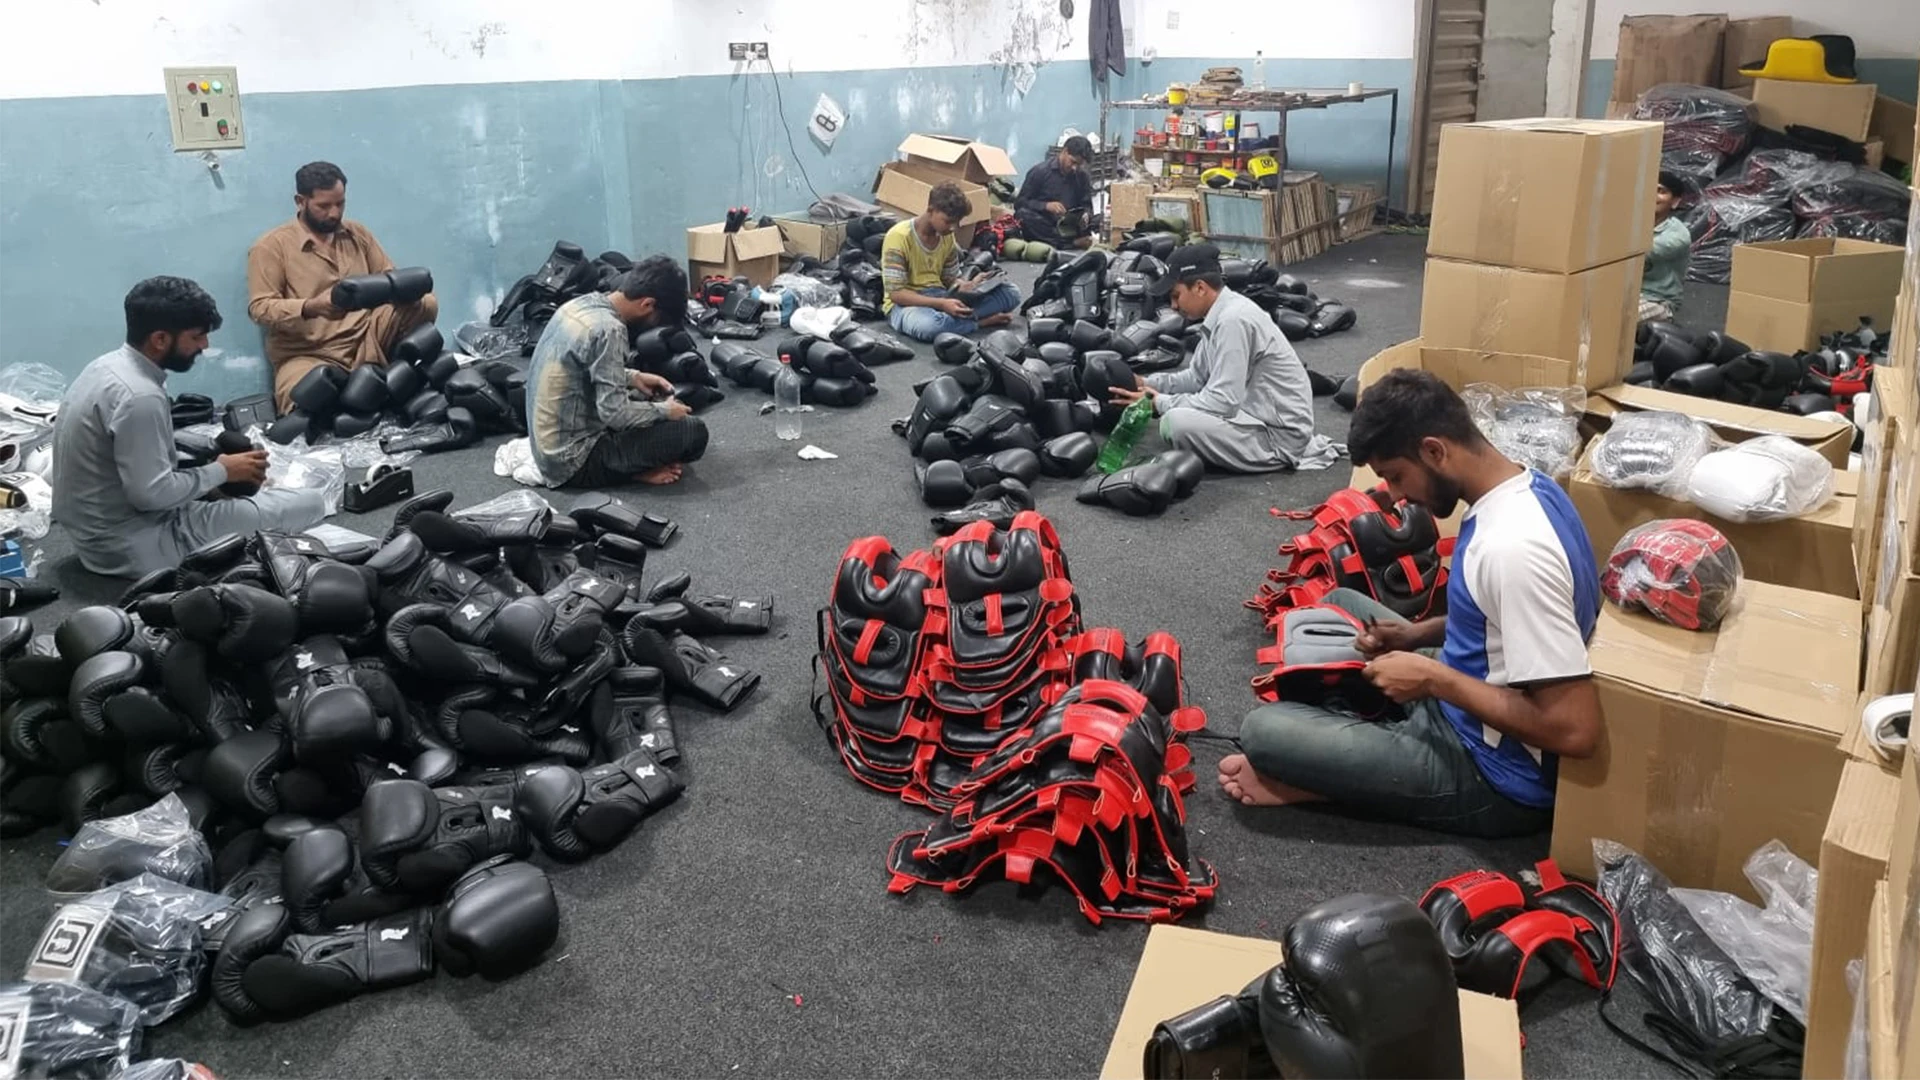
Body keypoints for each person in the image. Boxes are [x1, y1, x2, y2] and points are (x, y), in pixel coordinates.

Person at [1217, 370, 1603, 838]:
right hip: (1477, 687)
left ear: (1435, 451)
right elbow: (1493, 619)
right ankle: (1358, 756)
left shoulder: (1512, 551)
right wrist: (1415, 635)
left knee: (1263, 733)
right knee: (1340, 600)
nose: (1396, 496)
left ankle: (1330, 786)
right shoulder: (1526, 486)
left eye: (1396, 476)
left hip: (1494, 772)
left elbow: (1575, 731)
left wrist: (1434, 679)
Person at [51, 277, 328, 578]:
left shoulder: (106, 367)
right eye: (197, 337)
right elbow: (151, 495)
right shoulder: (140, 397)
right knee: (309, 502)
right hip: (138, 544)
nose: (204, 345)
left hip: (95, 538)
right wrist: (222, 471)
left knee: (244, 493)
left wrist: (209, 469)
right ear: (160, 339)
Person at [1110, 243, 1339, 473]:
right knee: (1178, 414)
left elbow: (1222, 402)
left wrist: (1158, 403)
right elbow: (1196, 378)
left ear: (1200, 288)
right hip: (1253, 415)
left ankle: (1268, 456)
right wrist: (1146, 383)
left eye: (1176, 295)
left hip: (1279, 437)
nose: (1174, 305)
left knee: (1175, 422)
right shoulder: (1219, 315)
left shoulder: (1233, 320)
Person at [247, 161, 439, 413]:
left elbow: (389, 277)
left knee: (425, 302)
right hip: (309, 352)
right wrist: (312, 306)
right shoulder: (271, 247)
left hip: (366, 338)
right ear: (300, 201)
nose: (334, 213)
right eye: (324, 206)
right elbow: (260, 308)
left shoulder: (357, 233)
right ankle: (365, 390)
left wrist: (398, 287)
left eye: (340, 204)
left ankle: (389, 378)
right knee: (302, 405)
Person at [527, 255, 709, 488]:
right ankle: (632, 472)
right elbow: (616, 414)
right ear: (647, 304)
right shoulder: (609, 329)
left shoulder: (580, 305)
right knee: (691, 432)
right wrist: (665, 412)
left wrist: (633, 377)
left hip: (548, 447)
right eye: (657, 320)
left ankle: (633, 461)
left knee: (645, 398)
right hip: (573, 463)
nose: (654, 325)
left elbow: (580, 368)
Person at [884, 181, 1022, 342]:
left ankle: (957, 322)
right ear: (931, 210)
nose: (953, 228)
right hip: (905, 306)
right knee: (930, 326)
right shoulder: (899, 237)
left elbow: (949, 279)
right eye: (948, 221)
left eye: (957, 222)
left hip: (941, 296)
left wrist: (969, 285)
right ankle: (980, 322)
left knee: (1011, 293)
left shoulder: (946, 237)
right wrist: (941, 304)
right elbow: (897, 294)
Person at [1014, 136, 1096, 250]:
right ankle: (1070, 243)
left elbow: (1087, 204)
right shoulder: (1040, 172)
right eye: (1073, 162)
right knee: (1023, 215)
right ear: (1065, 151)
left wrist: (1086, 215)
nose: (1074, 168)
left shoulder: (1082, 176)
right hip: (1046, 223)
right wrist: (1046, 206)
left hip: (1069, 225)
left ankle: (1069, 240)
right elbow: (1020, 203)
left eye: (1079, 165)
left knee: (1101, 219)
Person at [1639, 171, 1692, 325]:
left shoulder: (1677, 235)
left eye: (1661, 191)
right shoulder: (1635, 223)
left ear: (1675, 201)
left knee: (1615, 315)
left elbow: (1634, 254)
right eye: (1650, 189)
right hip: (1628, 294)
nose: (1653, 196)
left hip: (1656, 301)